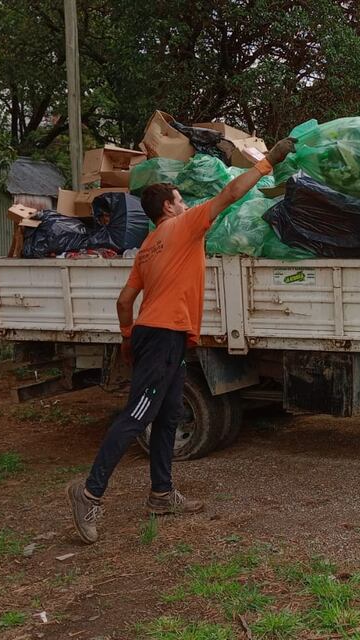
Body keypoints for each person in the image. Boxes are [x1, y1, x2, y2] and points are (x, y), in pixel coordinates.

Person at [66, 138, 296, 544]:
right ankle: (88, 493)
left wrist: (127, 338)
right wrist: (268, 162)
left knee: (169, 415)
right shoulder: (184, 227)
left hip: (155, 335)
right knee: (138, 415)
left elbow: (124, 302)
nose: (186, 204)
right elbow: (230, 194)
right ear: (170, 208)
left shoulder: (147, 247)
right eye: (180, 199)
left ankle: (161, 494)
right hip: (163, 335)